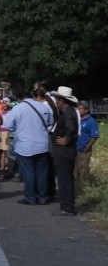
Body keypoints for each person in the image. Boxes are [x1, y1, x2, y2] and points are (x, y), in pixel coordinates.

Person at [4, 88, 53, 205]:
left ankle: (31, 197)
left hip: (24, 145)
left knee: (28, 172)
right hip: (42, 144)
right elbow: (50, 124)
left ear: (19, 99)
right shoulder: (43, 107)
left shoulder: (17, 109)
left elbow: (8, 125)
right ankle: (42, 197)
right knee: (41, 172)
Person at [49, 86, 79, 216]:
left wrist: (66, 140)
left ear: (61, 100)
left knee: (64, 179)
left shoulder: (68, 113)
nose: (55, 101)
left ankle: (67, 207)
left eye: (57, 99)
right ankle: (67, 205)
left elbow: (71, 129)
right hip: (64, 152)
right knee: (65, 178)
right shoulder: (69, 111)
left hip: (64, 152)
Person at [75, 101, 99, 182]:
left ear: (86, 110)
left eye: (81, 108)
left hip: (84, 149)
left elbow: (94, 136)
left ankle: (84, 186)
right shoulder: (77, 120)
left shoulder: (91, 121)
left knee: (83, 169)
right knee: (75, 169)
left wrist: (87, 148)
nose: (79, 110)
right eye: (78, 108)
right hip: (75, 148)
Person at [0, 97, 11, 171]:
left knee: (7, 150)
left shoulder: (11, 112)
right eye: (3, 102)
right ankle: (2, 166)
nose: (4, 104)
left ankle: (9, 166)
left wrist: (8, 134)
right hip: (0, 131)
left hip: (7, 132)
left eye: (6, 102)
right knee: (2, 150)